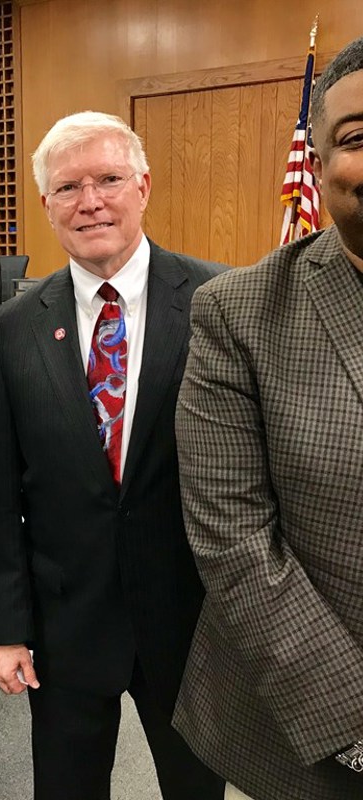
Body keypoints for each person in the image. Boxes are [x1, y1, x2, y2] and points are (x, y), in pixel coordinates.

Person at [0, 110, 225, 799]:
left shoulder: (217, 301)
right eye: (68, 187)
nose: (90, 202)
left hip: (190, 619)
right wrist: (3, 627)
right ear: (47, 204)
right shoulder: (12, 327)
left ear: (143, 186)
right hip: (64, 620)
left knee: (196, 788)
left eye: (108, 179)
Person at [173, 36, 363, 800]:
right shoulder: (240, 312)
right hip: (321, 728)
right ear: (317, 166)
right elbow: (234, 538)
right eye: (355, 137)